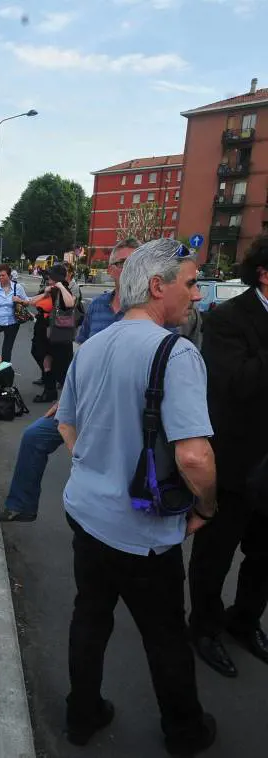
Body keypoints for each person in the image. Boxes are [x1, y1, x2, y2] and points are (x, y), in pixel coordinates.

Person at [56, 238, 217, 754]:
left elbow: (65, 424)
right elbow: (194, 457)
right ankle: (186, 732)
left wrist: (93, 467)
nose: (196, 294)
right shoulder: (176, 353)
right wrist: (206, 508)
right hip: (143, 533)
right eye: (190, 283)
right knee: (165, 636)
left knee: (90, 619)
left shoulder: (95, 344)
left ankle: (81, 716)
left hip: (87, 515)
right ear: (157, 286)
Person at [0, 238, 141, 523]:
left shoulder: (152, 313)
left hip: (125, 409)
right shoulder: (100, 308)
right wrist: (66, 398)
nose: (131, 268)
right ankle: (21, 505)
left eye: (137, 261)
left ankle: (115, 521)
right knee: (34, 437)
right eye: (123, 263)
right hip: (86, 401)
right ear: (111, 269)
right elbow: (81, 357)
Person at [188, 234, 268, 679]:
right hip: (237, 463)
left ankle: (245, 619)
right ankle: (203, 627)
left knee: (264, 556)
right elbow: (234, 384)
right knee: (214, 555)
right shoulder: (228, 319)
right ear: (264, 273)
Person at [25, 264, 77, 403]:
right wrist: (45, 293)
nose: (48, 277)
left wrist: (60, 287)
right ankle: (50, 389)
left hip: (56, 330)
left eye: (51, 276)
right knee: (40, 354)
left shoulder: (63, 289)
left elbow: (70, 303)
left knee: (59, 362)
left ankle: (56, 391)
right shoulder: (48, 289)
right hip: (43, 329)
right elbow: (32, 302)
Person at [0, 264, 29, 363]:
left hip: (12, 323)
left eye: (3, 275)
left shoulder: (18, 288)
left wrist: (20, 300)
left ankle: (5, 373)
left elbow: (27, 302)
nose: (0, 278)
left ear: (9, 275)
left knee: (7, 350)